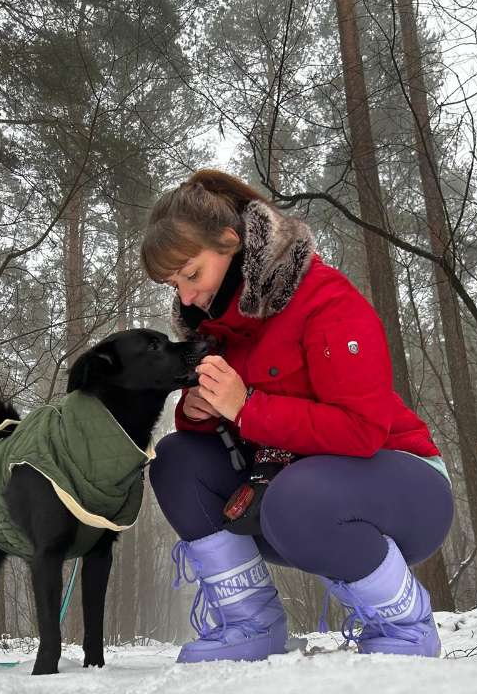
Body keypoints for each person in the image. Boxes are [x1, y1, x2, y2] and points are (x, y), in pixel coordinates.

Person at [142, 169, 454, 664]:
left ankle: (405, 623)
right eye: (173, 283)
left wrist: (246, 407)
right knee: (176, 459)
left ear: (230, 241)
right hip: (288, 496)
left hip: (405, 490)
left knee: (297, 493)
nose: (184, 296)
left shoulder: (325, 299)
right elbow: (231, 434)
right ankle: (251, 623)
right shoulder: (219, 329)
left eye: (191, 273)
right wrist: (205, 411)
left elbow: (362, 430)